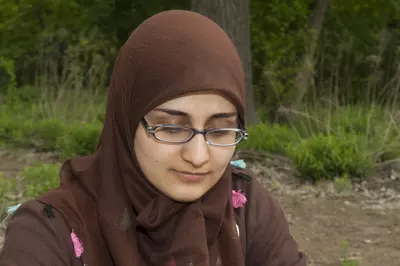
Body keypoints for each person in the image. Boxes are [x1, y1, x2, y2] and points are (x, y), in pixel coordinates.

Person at [0, 10, 306, 266]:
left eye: (220, 130)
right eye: (172, 128)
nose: (198, 157)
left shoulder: (244, 206)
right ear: (126, 120)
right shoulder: (47, 235)